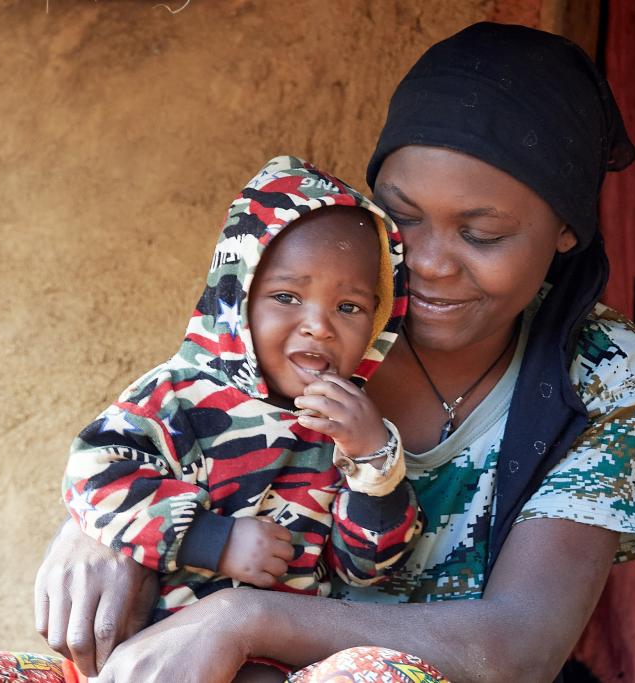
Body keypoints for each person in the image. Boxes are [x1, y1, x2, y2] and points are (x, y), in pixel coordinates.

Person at [0, 22, 635, 683]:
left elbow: (520, 646)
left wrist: (243, 617)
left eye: (482, 234)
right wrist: (98, 528)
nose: (425, 262)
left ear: (566, 229)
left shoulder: (600, 371)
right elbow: (160, 432)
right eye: (401, 216)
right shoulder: (309, 316)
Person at [62, 155, 420, 627]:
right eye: (287, 297)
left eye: (349, 306)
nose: (319, 327)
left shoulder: (344, 431)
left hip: (277, 654)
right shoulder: (177, 397)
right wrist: (213, 540)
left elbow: (365, 569)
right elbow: (92, 475)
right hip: (152, 655)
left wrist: (374, 460)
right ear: (236, 297)